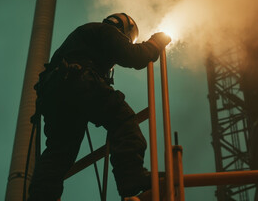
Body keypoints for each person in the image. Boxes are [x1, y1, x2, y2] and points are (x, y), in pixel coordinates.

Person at [28, 13, 171, 201]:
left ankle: (41, 197)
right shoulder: (107, 31)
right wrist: (156, 42)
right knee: (123, 119)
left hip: (54, 95)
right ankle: (131, 177)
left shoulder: (84, 37)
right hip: (78, 81)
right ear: (126, 30)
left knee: (59, 153)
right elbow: (134, 57)